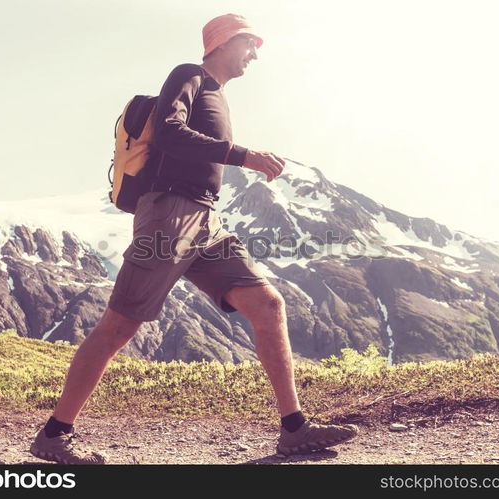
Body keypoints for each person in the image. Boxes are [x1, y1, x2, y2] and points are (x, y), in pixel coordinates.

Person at [29, 13, 357, 464]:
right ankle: (54, 435)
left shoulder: (218, 95)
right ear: (223, 41)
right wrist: (245, 156)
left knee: (268, 305)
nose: (256, 54)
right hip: (169, 215)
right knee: (119, 325)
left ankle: (294, 429)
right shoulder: (190, 76)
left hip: (206, 220)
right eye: (250, 44)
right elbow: (170, 132)